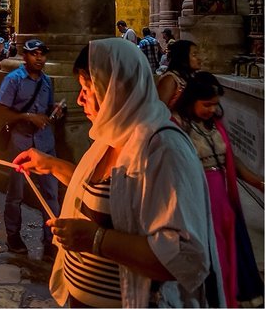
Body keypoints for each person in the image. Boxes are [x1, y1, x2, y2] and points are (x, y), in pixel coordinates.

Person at [14, 38, 223, 308]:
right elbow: (112, 194)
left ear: (117, 89)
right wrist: (52, 165)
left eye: (87, 89)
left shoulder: (164, 150)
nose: (79, 99)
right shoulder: (111, 137)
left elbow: (184, 256)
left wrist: (96, 239)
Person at [173, 71, 264, 307]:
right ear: (192, 99)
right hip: (200, 197)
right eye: (207, 104)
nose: (212, 109)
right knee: (212, 252)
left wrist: (259, 183)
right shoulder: (178, 126)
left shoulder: (214, 125)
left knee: (227, 248)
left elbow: (230, 159)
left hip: (223, 197)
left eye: (215, 104)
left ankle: (229, 296)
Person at [0, 38, 62, 260]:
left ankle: (51, 240)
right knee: (15, 192)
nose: (39, 58)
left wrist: (55, 111)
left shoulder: (46, 82)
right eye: (35, 54)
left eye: (42, 54)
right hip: (20, 142)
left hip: (44, 143)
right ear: (24, 56)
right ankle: (13, 235)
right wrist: (27, 117)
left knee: (50, 193)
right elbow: (2, 112)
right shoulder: (13, 80)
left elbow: (47, 108)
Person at [157, 38, 202, 110]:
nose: (199, 58)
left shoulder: (190, 76)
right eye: (194, 55)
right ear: (183, 57)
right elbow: (160, 110)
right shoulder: (170, 79)